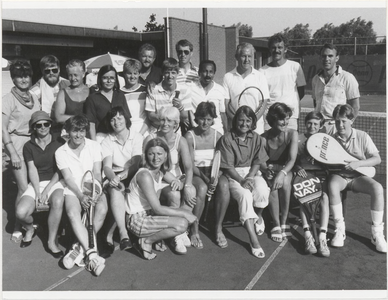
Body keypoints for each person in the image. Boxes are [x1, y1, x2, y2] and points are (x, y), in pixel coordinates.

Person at [327, 104, 386, 253]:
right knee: (332, 185)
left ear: (351, 120)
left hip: (358, 178)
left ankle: (377, 233)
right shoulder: (331, 139)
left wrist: (358, 163)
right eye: (337, 121)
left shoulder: (362, 136)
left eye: (344, 121)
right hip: (340, 176)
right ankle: (340, 229)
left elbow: (377, 159)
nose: (340, 125)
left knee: (378, 188)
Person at [126, 138, 197, 260]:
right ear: (146, 155)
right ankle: (146, 241)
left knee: (183, 214)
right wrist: (185, 213)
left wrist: (178, 183)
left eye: (159, 154)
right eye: (151, 154)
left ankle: (158, 238)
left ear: (165, 155)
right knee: (182, 224)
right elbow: (158, 209)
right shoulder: (144, 175)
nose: (155, 158)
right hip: (137, 220)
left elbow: (177, 181)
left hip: (150, 215)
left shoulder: (161, 171)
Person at [55, 114, 108, 275]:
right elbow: (68, 178)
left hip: (94, 187)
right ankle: (92, 255)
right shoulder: (60, 152)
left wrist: (96, 191)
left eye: (82, 131)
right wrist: (80, 195)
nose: (78, 135)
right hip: (73, 190)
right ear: (67, 132)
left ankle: (78, 247)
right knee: (72, 213)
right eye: (74, 131)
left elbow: (97, 172)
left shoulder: (94, 146)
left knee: (102, 209)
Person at [216, 106, 270, 258]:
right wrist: (241, 180)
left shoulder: (257, 138)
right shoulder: (226, 139)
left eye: (248, 120)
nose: (244, 124)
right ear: (235, 121)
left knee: (262, 191)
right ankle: (253, 240)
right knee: (245, 196)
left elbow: (258, 161)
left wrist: (251, 177)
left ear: (253, 122)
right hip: (234, 175)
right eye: (241, 120)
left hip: (252, 173)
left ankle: (258, 216)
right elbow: (227, 166)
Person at [143, 107, 197, 254]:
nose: (165, 123)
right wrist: (174, 181)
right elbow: (153, 165)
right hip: (159, 179)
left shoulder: (181, 140)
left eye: (169, 120)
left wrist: (187, 184)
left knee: (191, 191)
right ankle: (177, 236)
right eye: (162, 119)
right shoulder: (151, 138)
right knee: (174, 195)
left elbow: (188, 167)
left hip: (177, 179)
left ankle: (182, 228)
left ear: (176, 123)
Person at [16, 111, 65, 258]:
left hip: (55, 181)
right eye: (39, 125)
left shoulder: (60, 142)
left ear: (50, 125)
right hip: (37, 183)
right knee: (21, 212)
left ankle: (51, 242)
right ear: (34, 127)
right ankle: (30, 229)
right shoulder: (28, 146)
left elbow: (60, 169)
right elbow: (32, 169)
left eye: (46, 124)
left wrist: (47, 190)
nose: (43, 127)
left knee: (57, 200)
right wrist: (38, 192)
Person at [2, 60, 41, 242]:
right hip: (16, 143)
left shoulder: (33, 97)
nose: (24, 79)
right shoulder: (7, 99)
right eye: (19, 75)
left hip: (32, 144)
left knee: (32, 185)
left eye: (26, 75)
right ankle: (22, 225)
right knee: (23, 187)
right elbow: (2, 128)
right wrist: (12, 152)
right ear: (13, 78)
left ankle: (24, 220)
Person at [101, 106, 143, 253]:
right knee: (115, 190)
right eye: (113, 119)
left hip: (133, 174)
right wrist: (114, 179)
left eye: (119, 117)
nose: (116, 122)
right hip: (114, 175)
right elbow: (107, 167)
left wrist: (120, 177)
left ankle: (111, 234)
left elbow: (136, 163)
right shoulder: (107, 140)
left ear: (126, 119)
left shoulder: (137, 137)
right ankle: (123, 234)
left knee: (123, 190)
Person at [185, 102, 222, 249]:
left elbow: (221, 162)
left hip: (212, 172)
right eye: (201, 118)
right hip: (195, 173)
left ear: (213, 119)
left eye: (208, 119)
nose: (205, 122)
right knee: (201, 188)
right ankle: (194, 229)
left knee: (223, 186)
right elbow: (190, 165)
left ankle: (219, 228)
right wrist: (206, 179)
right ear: (196, 118)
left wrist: (216, 177)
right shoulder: (189, 136)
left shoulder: (218, 136)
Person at [293, 111, 330, 257]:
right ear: (305, 123)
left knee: (324, 198)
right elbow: (293, 161)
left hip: (320, 175)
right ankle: (308, 234)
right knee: (305, 197)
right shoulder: (299, 139)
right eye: (309, 123)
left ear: (321, 126)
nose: (312, 126)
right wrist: (298, 168)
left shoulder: (325, 140)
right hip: (303, 175)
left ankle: (322, 237)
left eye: (316, 124)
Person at [261, 103, 298, 242]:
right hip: (271, 169)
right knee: (272, 186)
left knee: (286, 183)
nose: (285, 122)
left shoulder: (292, 134)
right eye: (281, 119)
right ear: (273, 120)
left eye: (287, 118)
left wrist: (281, 174)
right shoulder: (263, 137)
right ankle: (276, 224)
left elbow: (292, 159)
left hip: (286, 168)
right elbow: (261, 161)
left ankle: (284, 220)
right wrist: (266, 170)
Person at [259, 33, 306, 131]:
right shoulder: (262, 71)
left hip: (290, 118)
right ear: (270, 49)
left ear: (285, 49)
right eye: (273, 47)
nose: (277, 50)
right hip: (270, 118)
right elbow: (263, 97)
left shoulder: (295, 67)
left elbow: (301, 93)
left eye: (280, 47)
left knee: (291, 146)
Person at [312, 43, 360, 134]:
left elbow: (355, 106)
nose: (326, 59)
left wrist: (346, 124)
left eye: (330, 56)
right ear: (320, 58)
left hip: (337, 127)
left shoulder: (347, 77)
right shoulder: (315, 79)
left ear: (337, 58)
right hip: (318, 127)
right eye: (324, 56)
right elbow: (315, 103)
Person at [223, 43, 269, 135]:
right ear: (237, 57)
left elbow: (263, 103)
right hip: (235, 129)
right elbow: (227, 104)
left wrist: (252, 122)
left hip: (256, 129)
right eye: (243, 56)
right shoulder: (228, 76)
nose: (247, 60)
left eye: (249, 56)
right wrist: (237, 121)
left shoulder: (260, 76)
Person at [83, 64, 130, 143]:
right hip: (102, 137)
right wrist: (94, 143)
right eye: (105, 78)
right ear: (100, 79)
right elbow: (91, 123)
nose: (109, 81)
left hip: (120, 136)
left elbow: (126, 118)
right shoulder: (92, 98)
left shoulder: (120, 95)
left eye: (112, 78)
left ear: (115, 79)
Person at [145, 58, 192, 134]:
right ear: (163, 73)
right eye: (167, 72)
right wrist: (168, 118)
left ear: (177, 73)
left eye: (173, 73)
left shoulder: (185, 90)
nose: (170, 76)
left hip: (175, 132)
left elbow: (184, 117)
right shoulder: (153, 90)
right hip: (157, 131)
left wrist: (180, 106)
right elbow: (150, 115)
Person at [190, 60, 228, 135]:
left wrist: (226, 132)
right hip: (197, 133)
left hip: (217, 131)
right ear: (199, 73)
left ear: (214, 73)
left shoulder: (220, 90)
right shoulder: (190, 88)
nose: (208, 75)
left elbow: (222, 114)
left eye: (211, 72)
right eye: (205, 71)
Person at [54, 59, 89, 126]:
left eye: (76, 75)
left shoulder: (91, 91)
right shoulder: (63, 93)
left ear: (83, 74)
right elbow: (59, 118)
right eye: (70, 75)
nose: (73, 78)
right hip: (69, 132)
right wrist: (81, 119)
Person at [120, 59, 149, 135]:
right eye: (129, 73)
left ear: (139, 74)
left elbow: (149, 116)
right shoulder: (119, 93)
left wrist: (140, 134)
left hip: (144, 131)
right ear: (124, 74)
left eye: (135, 73)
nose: (132, 76)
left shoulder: (146, 90)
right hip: (126, 131)